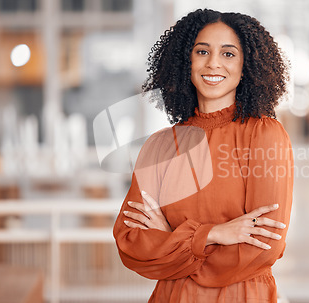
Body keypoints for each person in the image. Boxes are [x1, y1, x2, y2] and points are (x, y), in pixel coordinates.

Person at [113, 8, 294, 302]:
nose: (213, 64)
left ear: (246, 65)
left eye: (228, 54)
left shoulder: (264, 135)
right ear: (187, 61)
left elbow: (264, 245)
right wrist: (213, 235)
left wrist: (173, 239)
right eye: (202, 51)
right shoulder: (160, 146)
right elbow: (132, 243)